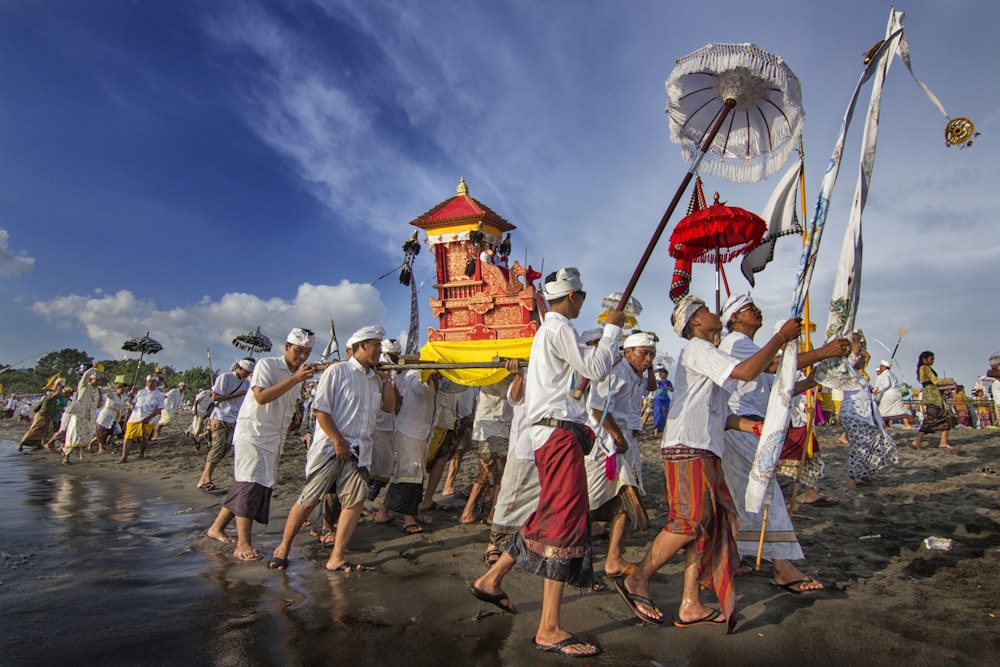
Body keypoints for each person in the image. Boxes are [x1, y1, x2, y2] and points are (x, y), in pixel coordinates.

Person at [614, 295, 802, 633]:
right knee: (688, 522)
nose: (715, 314)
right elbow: (746, 371)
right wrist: (781, 338)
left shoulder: (708, 351)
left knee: (705, 527)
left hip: (705, 445)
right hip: (688, 444)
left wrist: (754, 426)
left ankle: (690, 603)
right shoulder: (697, 348)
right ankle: (638, 580)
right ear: (696, 322)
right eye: (706, 310)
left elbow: (723, 414)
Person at [470, 267, 623, 658]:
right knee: (564, 519)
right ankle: (548, 627)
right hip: (556, 434)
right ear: (572, 297)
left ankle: (492, 578)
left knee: (550, 514)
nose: (582, 302)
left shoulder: (550, 331)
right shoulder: (558, 328)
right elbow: (596, 368)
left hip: (553, 433)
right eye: (581, 296)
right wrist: (612, 330)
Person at [716, 294, 849, 592]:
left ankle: (736, 557)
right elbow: (776, 366)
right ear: (735, 318)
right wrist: (822, 352)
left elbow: (777, 386)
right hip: (741, 427)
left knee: (743, 499)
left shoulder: (750, 347)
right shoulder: (735, 343)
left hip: (756, 426)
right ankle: (782, 567)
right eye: (749, 309)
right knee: (764, 495)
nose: (756, 311)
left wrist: (812, 381)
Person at [267, 325, 396, 572]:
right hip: (331, 446)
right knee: (310, 498)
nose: (379, 351)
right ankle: (283, 548)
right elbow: (320, 410)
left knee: (355, 501)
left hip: (361, 449)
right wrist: (338, 441)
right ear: (361, 347)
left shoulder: (374, 379)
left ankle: (337, 556)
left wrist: (387, 380)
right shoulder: (337, 371)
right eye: (376, 346)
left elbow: (389, 408)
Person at [207, 328, 318, 561]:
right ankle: (243, 542)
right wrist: (295, 379)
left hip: (274, 437)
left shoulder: (299, 374)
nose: (302, 357)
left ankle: (216, 527)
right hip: (253, 432)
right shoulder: (267, 365)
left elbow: (290, 403)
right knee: (249, 483)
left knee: (254, 483)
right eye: (298, 351)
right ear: (287, 347)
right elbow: (261, 396)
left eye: (307, 353)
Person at [586, 331, 656, 582]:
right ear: (628, 353)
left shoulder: (635, 375)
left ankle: (613, 558)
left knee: (628, 497)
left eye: (651, 354)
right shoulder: (616, 374)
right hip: (603, 445)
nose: (648, 359)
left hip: (622, 442)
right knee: (589, 503)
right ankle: (568, 550)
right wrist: (617, 437)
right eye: (644, 353)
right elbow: (595, 408)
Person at [374, 367, 440, 534]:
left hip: (422, 431)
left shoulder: (435, 380)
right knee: (410, 472)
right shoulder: (413, 374)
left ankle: (384, 512)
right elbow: (419, 389)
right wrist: (429, 374)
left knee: (414, 474)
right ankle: (408, 517)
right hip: (408, 430)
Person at [459, 368, 518, 526]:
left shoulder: (487, 372)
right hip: (495, 428)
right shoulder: (502, 375)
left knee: (486, 472)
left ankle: (470, 510)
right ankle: (491, 512)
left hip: (487, 428)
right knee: (498, 473)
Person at [839, 331, 897, 487]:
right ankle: (852, 479)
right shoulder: (846, 368)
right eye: (860, 357)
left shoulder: (859, 373)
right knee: (860, 444)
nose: (864, 359)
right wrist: (855, 340)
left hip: (865, 413)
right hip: (854, 412)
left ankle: (865, 473)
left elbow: (866, 356)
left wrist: (862, 345)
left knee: (875, 441)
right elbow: (856, 353)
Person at [196, 359, 254, 491]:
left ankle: (204, 477)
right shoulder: (225, 377)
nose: (247, 374)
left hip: (234, 419)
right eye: (246, 371)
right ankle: (207, 479)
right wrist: (236, 395)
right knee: (218, 446)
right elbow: (215, 397)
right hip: (220, 416)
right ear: (239, 368)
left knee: (225, 448)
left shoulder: (246, 383)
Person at [61, 367, 106, 464]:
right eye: (96, 380)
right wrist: (92, 369)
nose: (98, 382)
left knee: (86, 435)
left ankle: (80, 452)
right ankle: (66, 456)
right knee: (73, 435)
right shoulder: (84, 386)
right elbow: (85, 376)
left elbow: (112, 389)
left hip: (90, 416)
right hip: (79, 415)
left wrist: (105, 375)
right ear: (90, 380)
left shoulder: (98, 390)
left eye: (99, 380)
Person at [120, 375, 165, 463]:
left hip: (149, 418)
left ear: (157, 383)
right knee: (128, 437)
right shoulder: (140, 392)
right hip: (135, 417)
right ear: (146, 382)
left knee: (144, 438)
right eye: (149, 381)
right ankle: (124, 456)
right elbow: (132, 403)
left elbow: (159, 408)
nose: (151, 384)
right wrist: (130, 398)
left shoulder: (159, 395)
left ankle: (141, 453)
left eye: (153, 382)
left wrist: (149, 417)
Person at [912, 351, 952, 449]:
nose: (933, 361)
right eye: (931, 359)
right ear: (924, 359)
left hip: (932, 394)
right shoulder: (925, 368)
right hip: (932, 395)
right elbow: (935, 381)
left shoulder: (923, 368)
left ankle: (943, 441)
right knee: (933, 418)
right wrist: (950, 381)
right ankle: (918, 441)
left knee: (942, 417)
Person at [17, 378, 66, 452]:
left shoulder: (54, 399)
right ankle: (21, 444)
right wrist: (60, 385)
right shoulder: (49, 396)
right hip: (42, 416)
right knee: (35, 430)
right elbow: (57, 393)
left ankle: (37, 444)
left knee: (44, 431)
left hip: (47, 416)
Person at [92, 379, 129, 454]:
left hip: (114, 416)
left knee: (113, 431)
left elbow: (125, 404)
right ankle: (100, 447)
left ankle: (92, 443)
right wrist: (110, 383)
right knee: (103, 431)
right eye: (121, 389)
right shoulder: (112, 395)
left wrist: (128, 406)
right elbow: (107, 391)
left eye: (123, 390)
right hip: (107, 414)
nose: (122, 391)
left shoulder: (122, 398)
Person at [874, 360, 913, 428]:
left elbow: (887, 384)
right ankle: (907, 424)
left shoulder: (885, 374)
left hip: (889, 394)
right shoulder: (892, 374)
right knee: (900, 410)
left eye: (881, 366)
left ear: (885, 367)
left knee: (882, 410)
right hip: (897, 393)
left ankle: (882, 426)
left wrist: (878, 390)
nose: (880, 367)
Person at [651, 367, 673, 436]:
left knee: (664, 415)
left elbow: (672, 390)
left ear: (666, 374)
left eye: (662, 372)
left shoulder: (668, 382)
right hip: (657, 400)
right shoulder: (658, 382)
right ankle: (656, 431)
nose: (660, 374)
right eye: (660, 373)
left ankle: (662, 430)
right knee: (657, 414)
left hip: (665, 400)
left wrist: (667, 388)